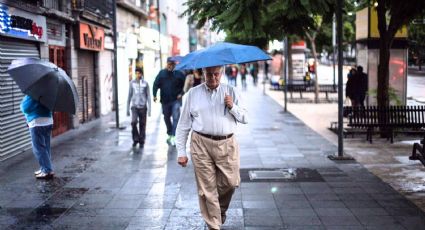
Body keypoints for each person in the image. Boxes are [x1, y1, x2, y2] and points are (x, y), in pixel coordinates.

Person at [176, 65, 248, 230]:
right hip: (201, 143)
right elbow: (183, 125)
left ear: (222, 73)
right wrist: (181, 151)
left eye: (216, 74)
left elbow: (245, 117)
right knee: (206, 188)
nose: (213, 78)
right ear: (203, 74)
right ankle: (214, 225)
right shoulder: (193, 94)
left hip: (227, 144)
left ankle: (217, 211)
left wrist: (232, 107)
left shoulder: (232, 91)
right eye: (209, 74)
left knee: (230, 183)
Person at [153, 57, 186, 146]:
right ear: (166, 64)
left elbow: (185, 85)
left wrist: (181, 93)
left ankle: (174, 135)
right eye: (169, 64)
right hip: (165, 101)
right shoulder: (162, 73)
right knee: (166, 117)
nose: (170, 66)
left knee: (176, 118)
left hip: (176, 100)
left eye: (172, 64)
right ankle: (170, 132)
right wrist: (154, 95)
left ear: (175, 65)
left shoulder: (179, 74)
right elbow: (155, 84)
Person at [20, 95, 54, 179]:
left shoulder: (33, 93)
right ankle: (44, 168)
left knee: (38, 148)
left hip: (37, 123)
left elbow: (25, 108)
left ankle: (47, 170)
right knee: (46, 147)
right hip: (48, 121)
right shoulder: (49, 92)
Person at [127, 67, 151, 148]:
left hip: (143, 107)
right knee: (133, 122)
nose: (138, 75)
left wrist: (150, 109)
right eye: (136, 73)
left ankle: (142, 140)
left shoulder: (145, 83)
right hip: (134, 107)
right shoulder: (132, 83)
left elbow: (148, 96)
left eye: (139, 73)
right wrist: (127, 108)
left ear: (142, 74)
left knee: (142, 124)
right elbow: (129, 95)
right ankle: (135, 139)